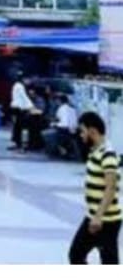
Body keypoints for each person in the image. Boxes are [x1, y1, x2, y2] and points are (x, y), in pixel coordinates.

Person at [68, 112, 121, 265]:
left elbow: (111, 188)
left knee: (108, 262)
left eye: (82, 131)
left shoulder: (107, 154)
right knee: (76, 254)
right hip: (93, 216)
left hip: (106, 220)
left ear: (92, 131)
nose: (81, 135)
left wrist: (98, 216)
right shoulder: (95, 151)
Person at [43, 95, 79, 159]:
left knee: (47, 133)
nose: (56, 102)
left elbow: (64, 124)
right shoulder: (72, 108)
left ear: (60, 101)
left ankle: (60, 151)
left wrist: (54, 124)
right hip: (74, 130)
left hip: (65, 131)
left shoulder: (61, 108)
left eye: (57, 100)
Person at [9, 78, 33, 152]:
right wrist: (31, 105)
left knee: (17, 127)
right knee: (23, 128)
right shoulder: (19, 86)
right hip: (20, 109)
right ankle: (23, 145)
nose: (29, 82)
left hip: (17, 108)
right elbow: (24, 96)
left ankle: (19, 144)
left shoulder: (17, 86)